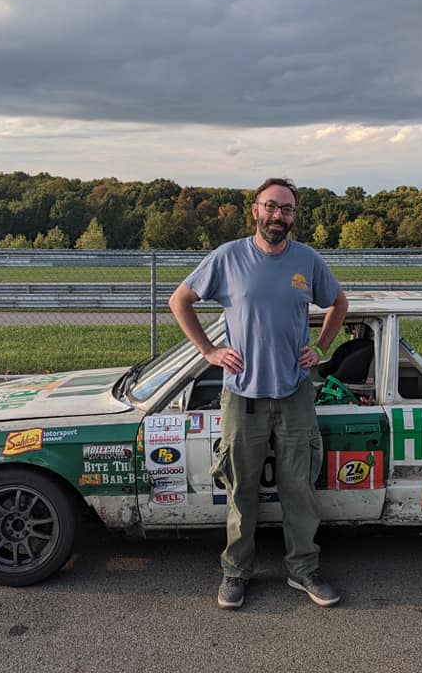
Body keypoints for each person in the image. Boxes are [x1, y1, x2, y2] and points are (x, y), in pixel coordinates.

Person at [169, 177, 348, 610]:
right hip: (242, 397)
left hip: (294, 394)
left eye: (286, 209)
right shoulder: (228, 258)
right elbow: (180, 300)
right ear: (255, 210)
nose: (278, 216)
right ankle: (236, 572)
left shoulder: (307, 261)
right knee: (240, 489)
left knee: (299, 489)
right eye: (271, 207)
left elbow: (339, 304)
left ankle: (303, 569)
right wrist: (209, 351)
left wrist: (321, 347)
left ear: (294, 216)